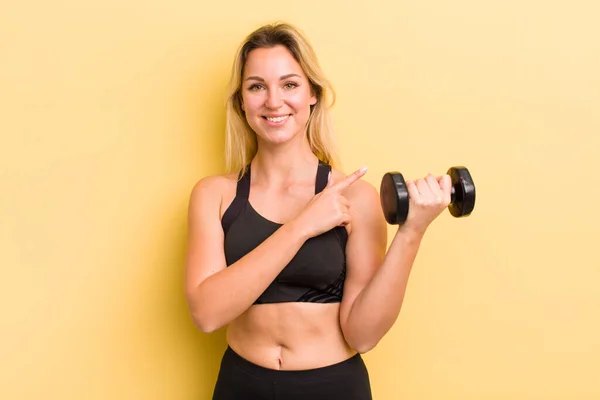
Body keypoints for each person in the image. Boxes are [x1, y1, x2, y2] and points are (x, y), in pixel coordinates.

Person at [184, 22, 452, 400]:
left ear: (313, 94)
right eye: (257, 86)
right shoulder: (215, 195)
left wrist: (412, 232)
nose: (274, 101)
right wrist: (301, 226)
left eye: (290, 84)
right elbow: (207, 314)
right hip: (241, 385)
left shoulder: (355, 199)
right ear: (241, 102)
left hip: (333, 386)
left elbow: (364, 334)